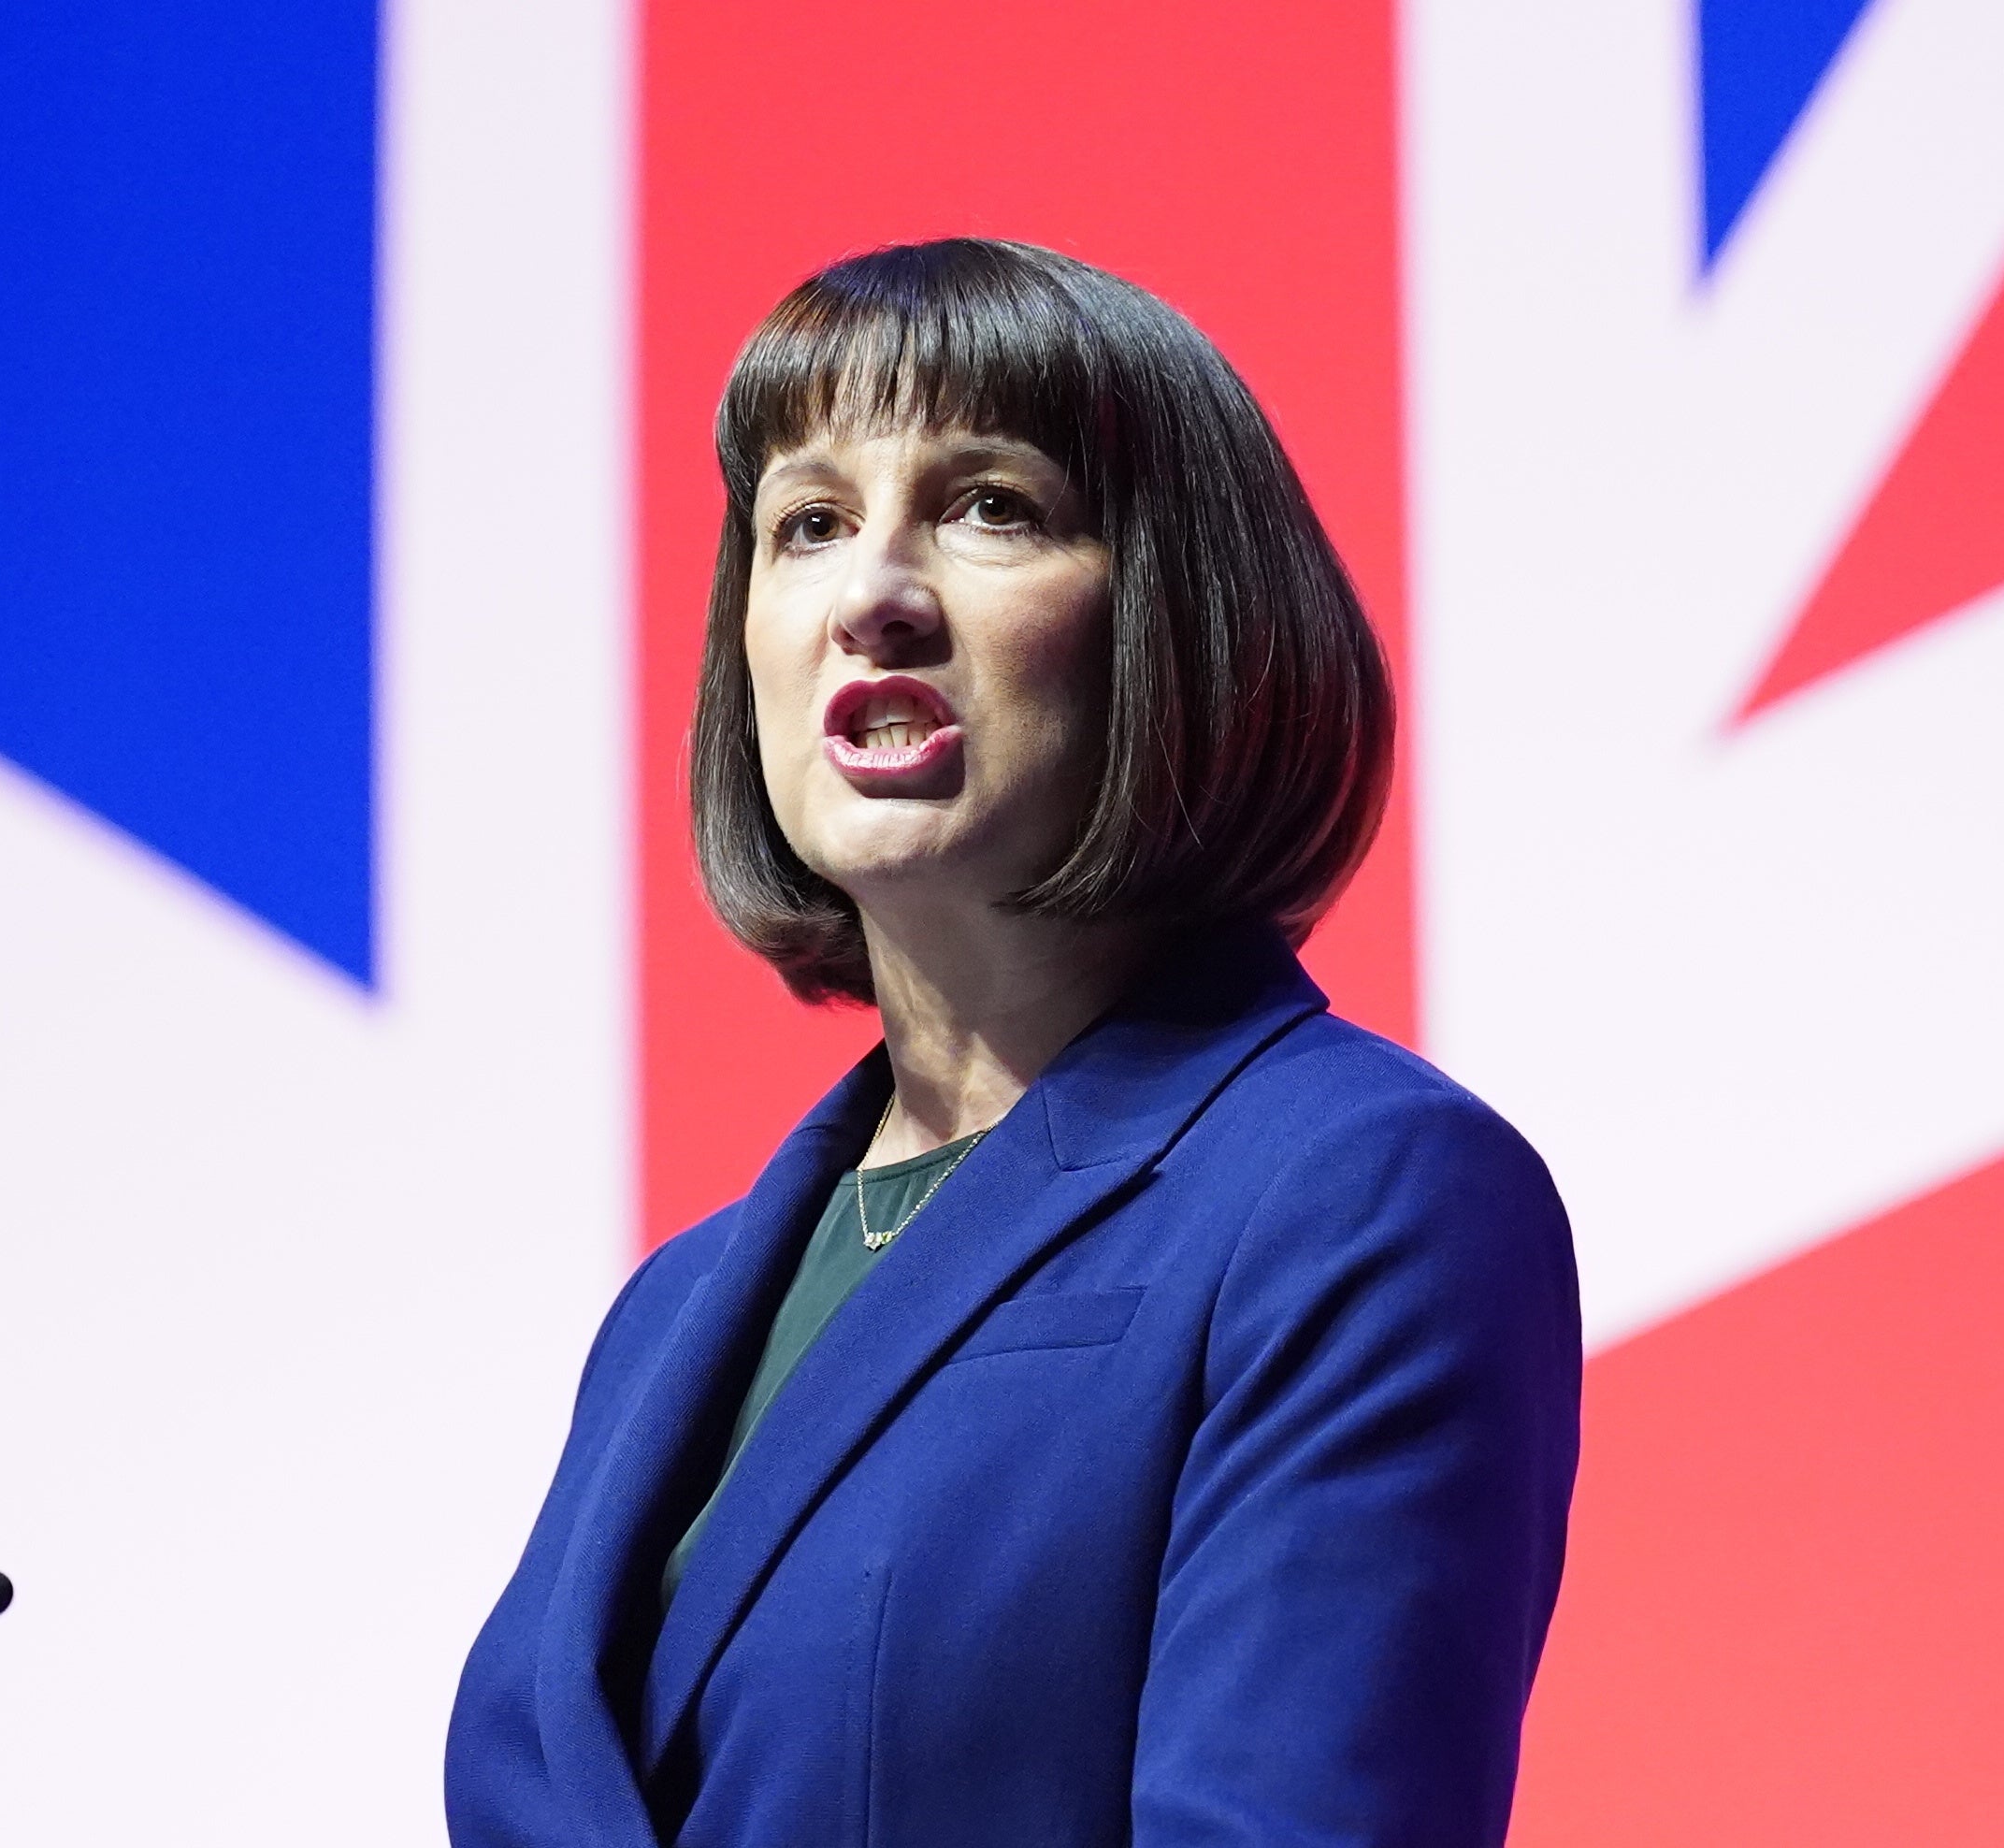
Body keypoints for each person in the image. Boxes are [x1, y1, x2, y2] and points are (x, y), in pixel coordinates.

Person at [446, 238, 1579, 1848]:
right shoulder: (673, 1312)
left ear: (1182, 615)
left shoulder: (1358, 1195)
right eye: (809, 524)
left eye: (991, 507)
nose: (872, 597)